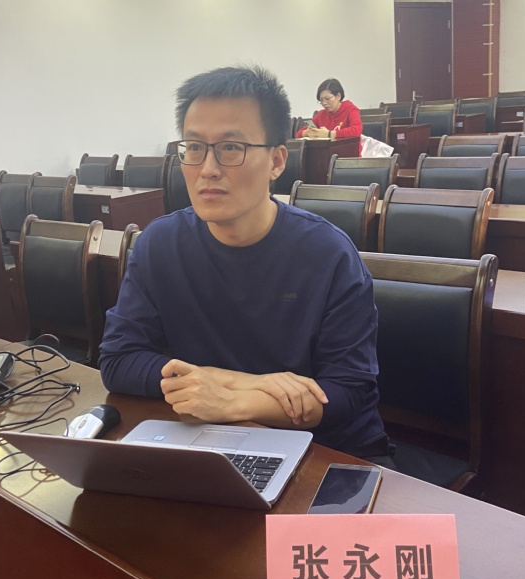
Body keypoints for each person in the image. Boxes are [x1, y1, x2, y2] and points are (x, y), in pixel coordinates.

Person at [99, 65, 394, 468]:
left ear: (276, 161)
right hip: (211, 441)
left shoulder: (329, 254)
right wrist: (245, 383)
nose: (208, 169)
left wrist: (233, 403)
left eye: (231, 148)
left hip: (328, 452)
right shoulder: (160, 244)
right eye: (194, 147)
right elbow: (118, 361)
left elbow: (348, 393)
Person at [295, 78, 363, 148]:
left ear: (338, 96)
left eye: (327, 99)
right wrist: (307, 133)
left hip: (348, 152)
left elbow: (356, 130)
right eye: (321, 100)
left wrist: (330, 134)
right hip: (326, 152)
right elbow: (298, 134)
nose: (324, 103)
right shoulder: (321, 114)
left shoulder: (351, 110)